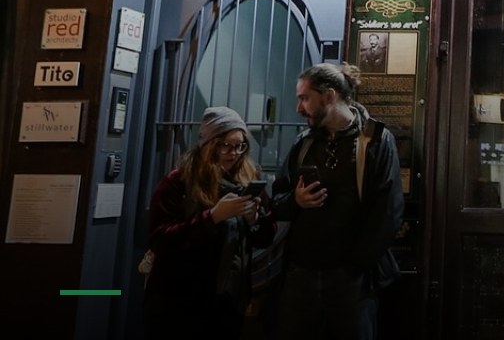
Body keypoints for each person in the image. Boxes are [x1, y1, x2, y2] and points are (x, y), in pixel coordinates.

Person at [271, 62, 404, 340]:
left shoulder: (375, 141)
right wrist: (295, 201)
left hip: (350, 279)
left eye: (304, 98)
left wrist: (355, 266)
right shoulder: (304, 143)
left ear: (329, 96)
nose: (299, 108)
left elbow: (388, 211)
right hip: (302, 275)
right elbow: (276, 202)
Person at [144, 106, 275, 340]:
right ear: (208, 143)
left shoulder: (248, 178)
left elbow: (266, 237)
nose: (234, 153)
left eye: (240, 145)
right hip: (181, 298)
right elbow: (161, 239)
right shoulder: (179, 181)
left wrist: (254, 219)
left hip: (228, 297)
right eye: (225, 145)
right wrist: (213, 216)